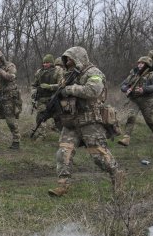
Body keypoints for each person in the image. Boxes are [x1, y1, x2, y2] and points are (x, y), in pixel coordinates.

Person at [48, 46, 124, 197]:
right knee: (63, 153)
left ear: (78, 58)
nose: (67, 62)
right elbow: (62, 91)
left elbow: (93, 91)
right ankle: (62, 186)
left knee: (99, 157)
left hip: (90, 121)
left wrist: (69, 90)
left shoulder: (94, 73)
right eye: (66, 59)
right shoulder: (68, 74)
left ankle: (117, 176)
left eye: (70, 58)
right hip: (71, 121)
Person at [117, 56, 153, 146]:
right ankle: (126, 138)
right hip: (134, 99)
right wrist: (127, 89)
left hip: (147, 100)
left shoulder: (152, 74)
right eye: (139, 63)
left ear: (147, 64)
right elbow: (123, 84)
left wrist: (144, 89)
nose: (140, 65)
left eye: (142, 63)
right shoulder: (133, 73)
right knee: (131, 116)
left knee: (149, 119)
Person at [30, 53, 65, 140]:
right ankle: (42, 135)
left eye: (47, 62)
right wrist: (33, 94)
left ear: (51, 63)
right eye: (44, 62)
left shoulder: (58, 71)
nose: (45, 64)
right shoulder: (39, 72)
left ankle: (65, 136)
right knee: (40, 117)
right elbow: (34, 85)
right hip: (42, 98)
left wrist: (50, 87)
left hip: (55, 98)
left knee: (59, 118)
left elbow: (62, 85)